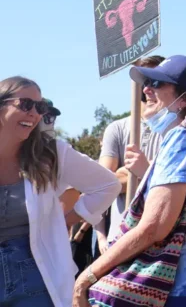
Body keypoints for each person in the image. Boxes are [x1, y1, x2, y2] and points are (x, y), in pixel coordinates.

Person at [73, 55, 186, 307]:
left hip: (181, 287)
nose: (145, 89)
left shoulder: (181, 137)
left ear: (185, 100)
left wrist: (88, 276)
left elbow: (154, 226)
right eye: (147, 83)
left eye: (157, 84)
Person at [0, 76, 120, 307]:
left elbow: (108, 185)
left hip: (35, 274)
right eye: (26, 104)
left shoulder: (51, 153)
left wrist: (67, 219)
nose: (34, 113)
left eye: (40, 107)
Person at [96, 55, 165, 251]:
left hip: (158, 242)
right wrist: (101, 238)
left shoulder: (175, 130)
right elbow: (102, 186)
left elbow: (172, 184)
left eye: (156, 80)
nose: (148, 88)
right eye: (144, 79)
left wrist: (137, 171)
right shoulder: (116, 129)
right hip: (117, 240)